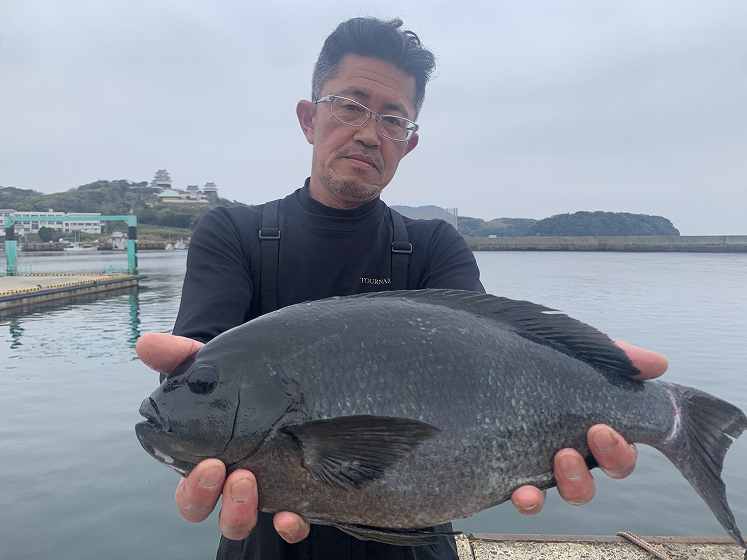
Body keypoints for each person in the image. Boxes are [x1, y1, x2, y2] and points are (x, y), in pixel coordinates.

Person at [136, 16, 669, 560]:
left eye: (393, 119)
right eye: (350, 105)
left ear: (408, 143)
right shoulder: (234, 233)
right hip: (264, 539)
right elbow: (202, 366)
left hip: (420, 541)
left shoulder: (435, 246)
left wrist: (595, 374)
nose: (369, 133)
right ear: (308, 118)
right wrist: (190, 389)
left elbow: (495, 359)